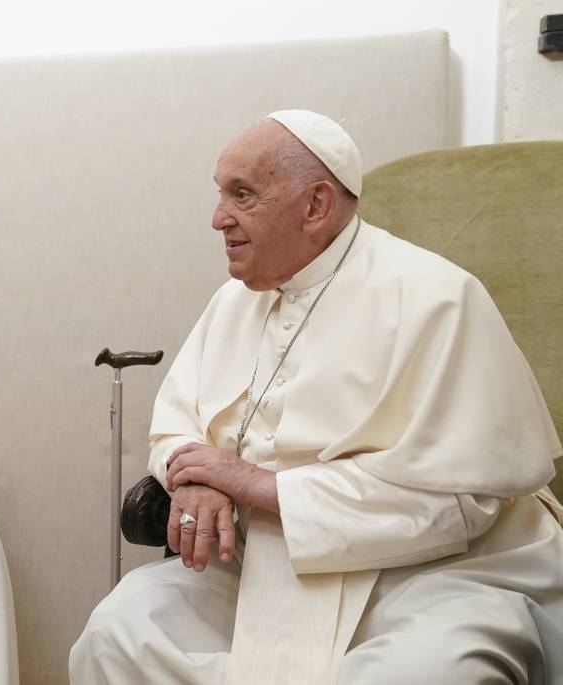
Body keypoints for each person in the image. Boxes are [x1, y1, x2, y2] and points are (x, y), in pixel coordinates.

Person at [70, 110, 563, 684]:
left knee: (423, 672)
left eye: (242, 194)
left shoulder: (437, 298)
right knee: (117, 633)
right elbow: (176, 427)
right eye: (220, 193)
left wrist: (257, 486)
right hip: (262, 563)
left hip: (430, 573)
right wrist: (194, 479)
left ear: (316, 205)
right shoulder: (233, 302)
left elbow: (463, 504)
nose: (217, 218)